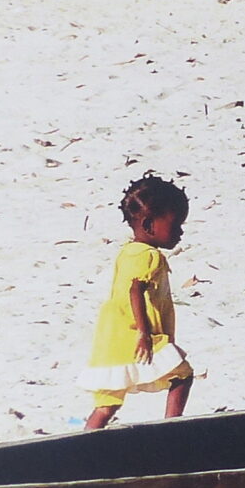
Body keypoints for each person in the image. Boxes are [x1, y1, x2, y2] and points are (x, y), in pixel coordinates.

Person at [81, 174, 194, 429]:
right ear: (150, 225)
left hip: (112, 338)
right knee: (182, 375)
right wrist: (144, 332)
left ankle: (84, 442)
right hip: (137, 336)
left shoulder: (127, 252)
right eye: (175, 225)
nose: (180, 233)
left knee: (107, 402)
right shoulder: (149, 256)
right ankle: (172, 429)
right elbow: (135, 290)